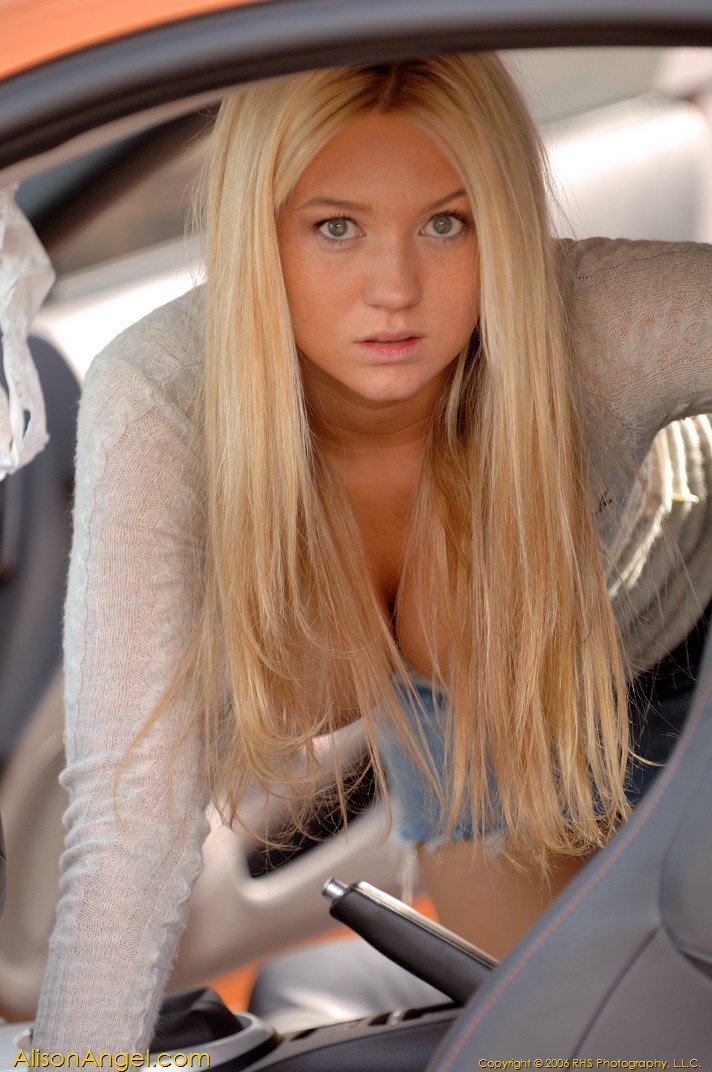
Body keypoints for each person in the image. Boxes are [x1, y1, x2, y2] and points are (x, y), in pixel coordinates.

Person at [33, 52, 712, 1051]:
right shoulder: (162, 400)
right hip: (456, 729)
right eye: (336, 227)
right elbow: (128, 825)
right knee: (558, 1047)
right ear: (260, 229)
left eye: (446, 223)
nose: (394, 289)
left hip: (682, 661)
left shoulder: (598, 318)